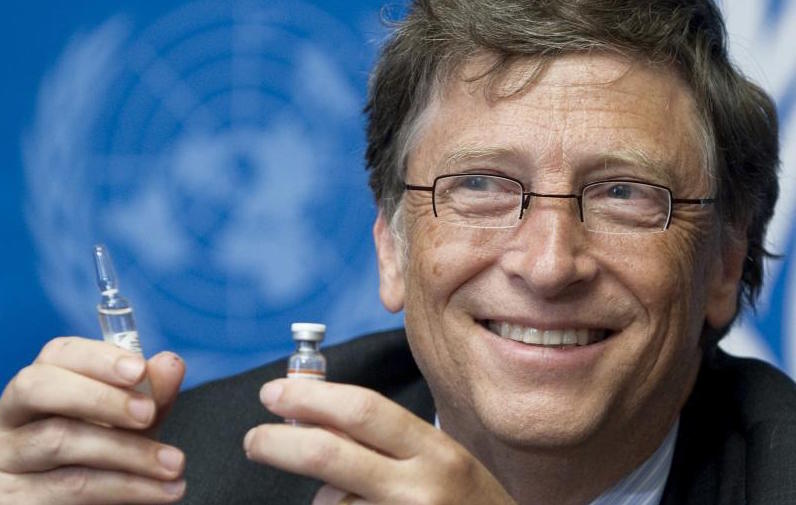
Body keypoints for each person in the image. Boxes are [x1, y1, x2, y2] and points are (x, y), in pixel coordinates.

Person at [2, 0, 794, 503]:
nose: (550, 264)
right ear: (392, 248)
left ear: (725, 260)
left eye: (625, 194)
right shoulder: (190, 474)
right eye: (481, 184)